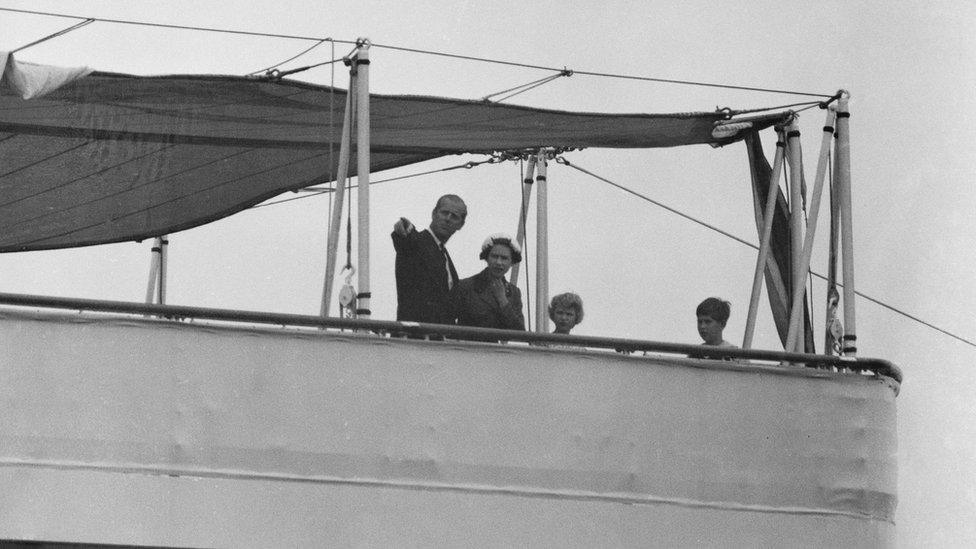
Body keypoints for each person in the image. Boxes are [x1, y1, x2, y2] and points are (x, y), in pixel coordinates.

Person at [391, 194, 466, 325]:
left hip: (439, 339)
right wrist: (404, 227)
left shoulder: (444, 256)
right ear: (434, 214)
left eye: (454, 216)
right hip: (413, 338)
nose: (448, 219)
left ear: (460, 225)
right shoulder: (417, 242)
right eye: (444, 213)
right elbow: (405, 240)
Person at [451, 233, 525, 332]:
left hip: (497, 347)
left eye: (504, 258)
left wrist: (503, 300)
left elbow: (519, 331)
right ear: (487, 258)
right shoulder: (466, 286)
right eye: (494, 256)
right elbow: (447, 319)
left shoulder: (514, 293)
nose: (499, 262)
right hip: (468, 346)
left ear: (512, 263)